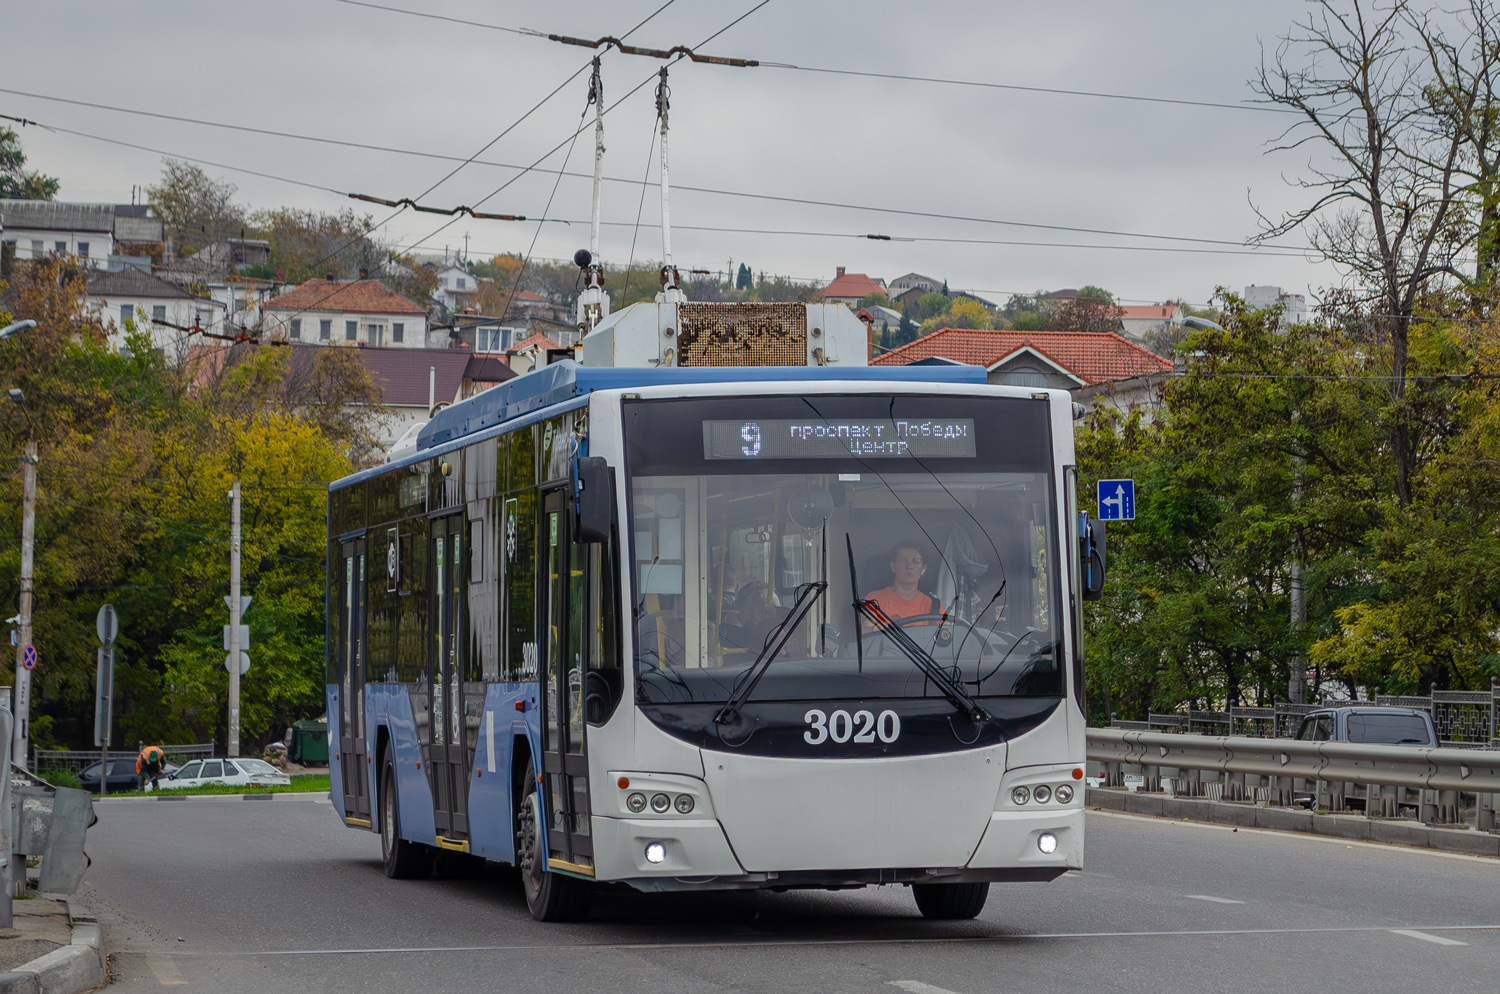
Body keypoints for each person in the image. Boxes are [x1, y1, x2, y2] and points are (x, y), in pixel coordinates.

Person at [864, 541, 934, 624]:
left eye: (915, 561)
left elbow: (946, 632)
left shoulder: (934, 605)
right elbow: (866, 632)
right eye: (903, 560)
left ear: (924, 569)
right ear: (893, 566)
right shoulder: (874, 601)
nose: (909, 566)